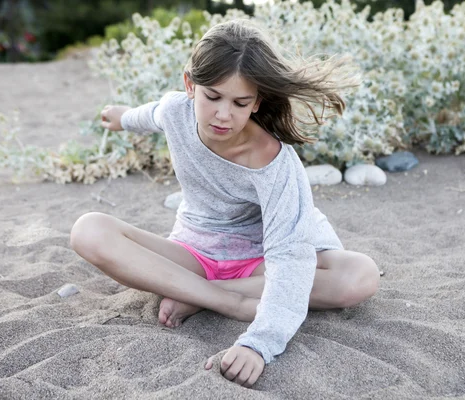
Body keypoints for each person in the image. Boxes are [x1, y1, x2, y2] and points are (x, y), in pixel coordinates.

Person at [70, 19, 379, 388]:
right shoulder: (175, 111)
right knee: (88, 230)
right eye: (212, 97)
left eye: (240, 102)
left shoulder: (274, 161)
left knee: (361, 275)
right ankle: (222, 300)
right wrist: (122, 117)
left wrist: (259, 343)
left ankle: (203, 296)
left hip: (259, 265)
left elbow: (290, 256)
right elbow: (152, 113)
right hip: (194, 255)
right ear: (190, 85)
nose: (223, 114)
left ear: (257, 101)